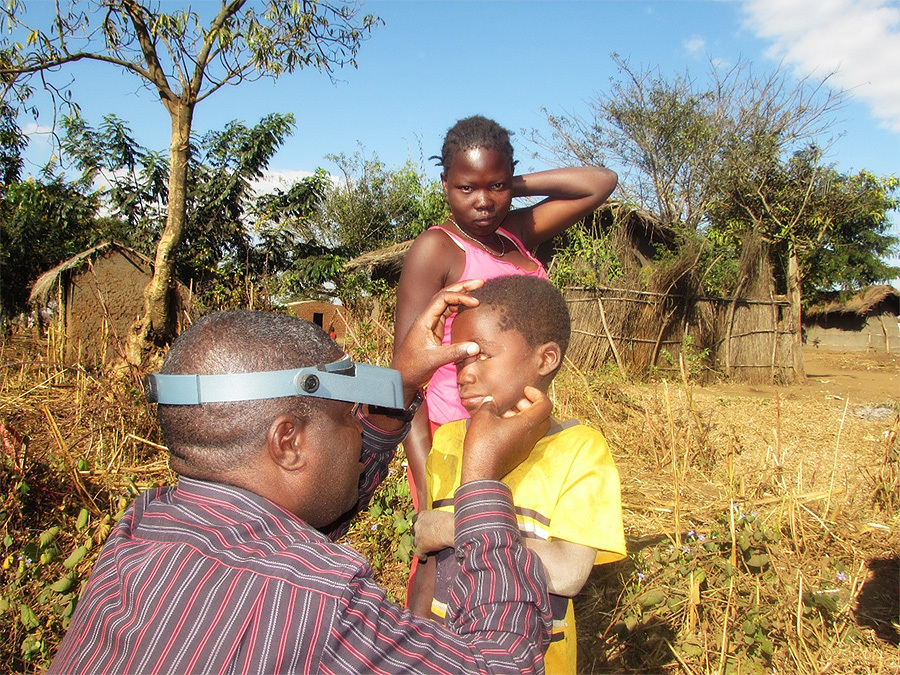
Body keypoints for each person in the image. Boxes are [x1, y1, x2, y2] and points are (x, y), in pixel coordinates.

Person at [49, 282, 558, 674]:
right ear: (288, 442)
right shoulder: (319, 605)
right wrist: (482, 481)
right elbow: (504, 664)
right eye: (348, 418)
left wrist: (398, 386)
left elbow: (312, 506)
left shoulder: (142, 530)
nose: (359, 437)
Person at [394, 115, 618, 515]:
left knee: (515, 553)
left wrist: (507, 181)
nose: (483, 201)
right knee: (450, 562)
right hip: (455, 433)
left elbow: (599, 182)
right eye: (466, 187)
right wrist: (426, 473)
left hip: (520, 427)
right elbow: (404, 373)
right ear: (445, 184)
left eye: (495, 186)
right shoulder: (436, 248)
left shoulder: (516, 231)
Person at [412, 276, 627, 674]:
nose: (464, 375)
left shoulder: (580, 449)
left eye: (482, 356)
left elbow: (567, 573)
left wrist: (450, 527)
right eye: (460, 359)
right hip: (442, 656)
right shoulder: (450, 440)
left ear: (545, 359)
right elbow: (428, 564)